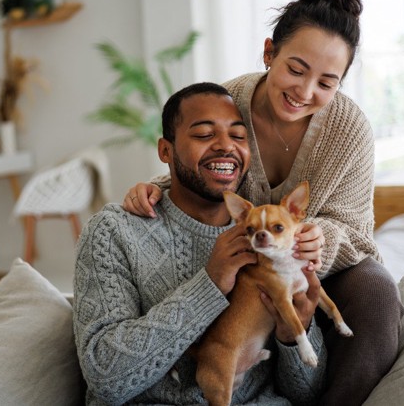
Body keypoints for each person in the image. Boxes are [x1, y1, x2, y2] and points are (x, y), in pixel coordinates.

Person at [122, 0, 403, 405]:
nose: (304, 92)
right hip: (245, 260)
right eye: (295, 69)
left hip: (316, 263)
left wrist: (319, 238)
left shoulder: (350, 130)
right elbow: (204, 164)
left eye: (326, 83)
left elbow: (357, 230)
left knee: (378, 291)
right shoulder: (230, 99)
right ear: (270, 53)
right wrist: (154, 188)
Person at [73, 82, 327, 405]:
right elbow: (105, 378)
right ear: (165, 150)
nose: (225, 146)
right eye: (205, 134)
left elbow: (309, 393)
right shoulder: (114, 231)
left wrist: (293, 335)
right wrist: (209, 285)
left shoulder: (273, 233)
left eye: (238, 136)